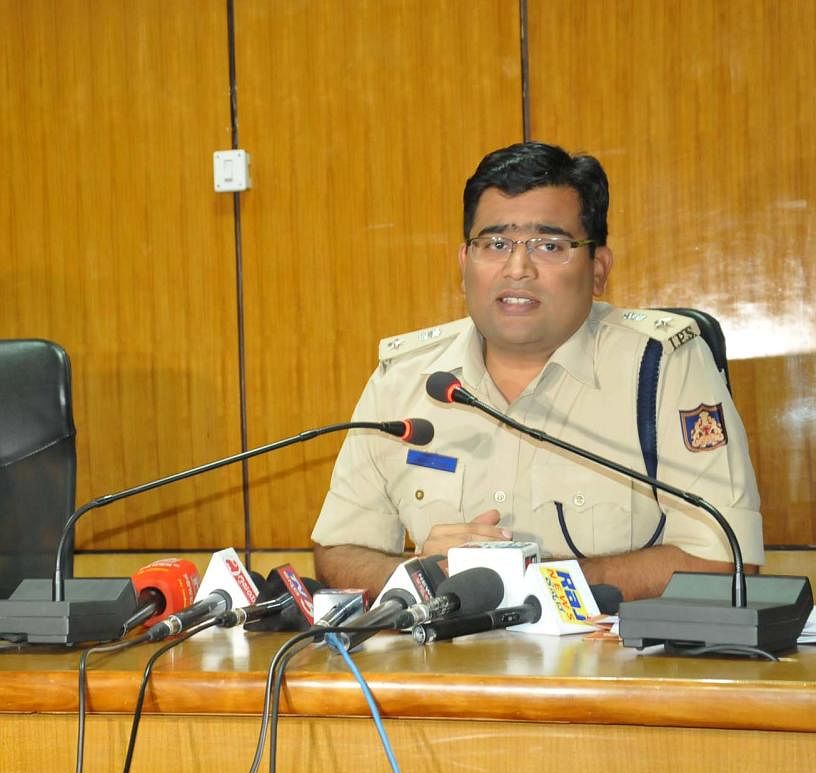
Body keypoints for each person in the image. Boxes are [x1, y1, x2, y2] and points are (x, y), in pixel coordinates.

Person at [311, 142, 763, 602]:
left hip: (609, 668)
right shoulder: (406, 377)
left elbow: (724, 558)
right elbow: (339, 551)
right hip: (444, 668)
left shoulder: (662, 365)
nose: (518, 268)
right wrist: (423, 573)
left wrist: (533, 582)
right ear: (465, 264)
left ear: (598, 268)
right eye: (495, 244)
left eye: (549, 245)